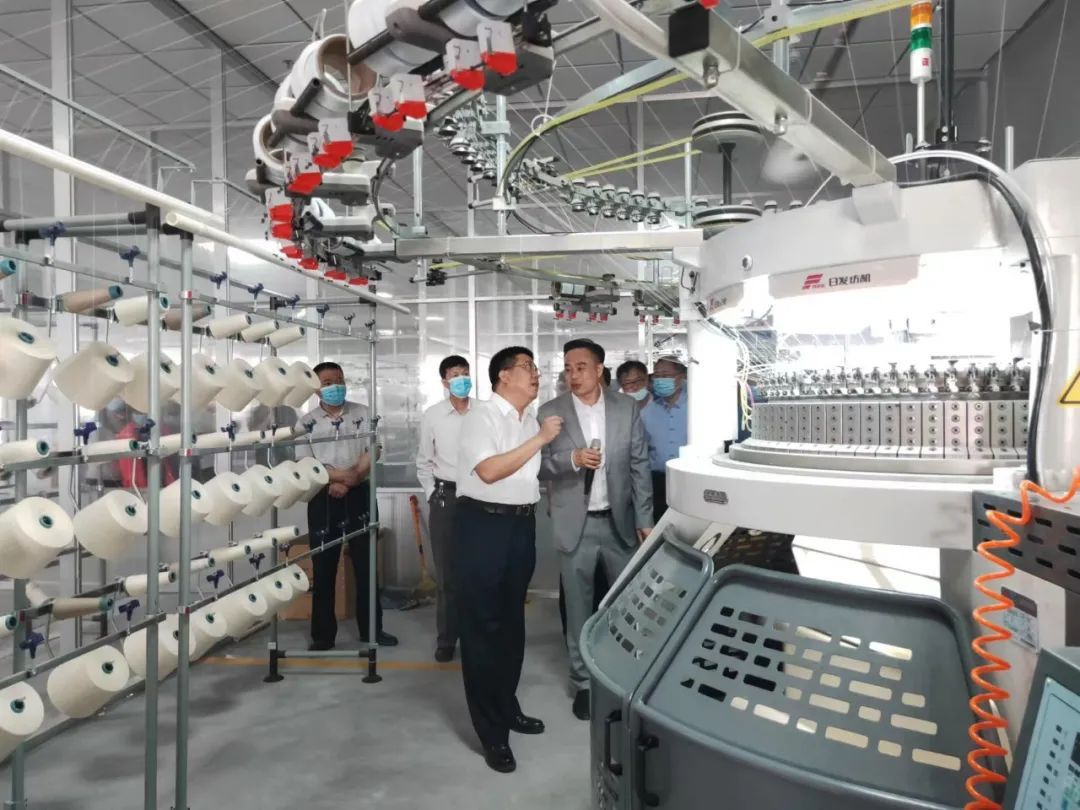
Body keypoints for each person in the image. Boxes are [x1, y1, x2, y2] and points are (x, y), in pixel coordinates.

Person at [455, 346, 563, 774]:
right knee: (483, 627)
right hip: (483, 526)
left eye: (536, 367)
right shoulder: (480, 416)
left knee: (512, 624)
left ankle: (507, 705)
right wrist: (541, 440)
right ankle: (491, 732)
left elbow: (526, 472)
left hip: (521, 526)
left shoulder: (529, 419)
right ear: (503, 376)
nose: (536, 374)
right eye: (527, 367)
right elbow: (488, 471)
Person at [539, 339, 652, 721]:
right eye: (568, 368)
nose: (573, 375)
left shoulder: (625, 408)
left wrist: (645, 519)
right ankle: (583, 682)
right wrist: (571, 459)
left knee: (628, 607)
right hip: (576, 525)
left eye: (581, 367)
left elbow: (639, 464)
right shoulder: (550, 412)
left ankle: (627, 679)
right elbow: (539, 466)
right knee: (578, 608)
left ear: (599, 369)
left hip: (620, 522)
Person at [297, 361, 398, 651]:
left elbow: (373, 449)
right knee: (324, 567)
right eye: (328, 382)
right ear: (316, 388)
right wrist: (340, 479)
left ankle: (372, 631)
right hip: (323, 496)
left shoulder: (363, 414)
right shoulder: (306, 423)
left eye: (339, 380)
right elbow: (306, 463)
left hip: (359, 494)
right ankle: (323, 636)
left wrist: (352, 478)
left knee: (366, 566)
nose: (336, 386)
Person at [415, 354, 472, 663]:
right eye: (455, 374)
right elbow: (424, 461)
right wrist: (431, 494)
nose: (461, 379)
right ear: (444, 382)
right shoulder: (433, 415)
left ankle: (477, 636)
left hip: (481, 496)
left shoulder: (484, 412)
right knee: (448, 574)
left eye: (465, 373)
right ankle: (447, 639)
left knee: (479, 571)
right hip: (446, 497)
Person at [640, 356, 688, 524]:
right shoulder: (647, 412)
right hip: (658, 481)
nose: (660, 380)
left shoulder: (696, 407)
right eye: (657, 375)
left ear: (681, 376)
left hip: (689, 480)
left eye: (666, 375)